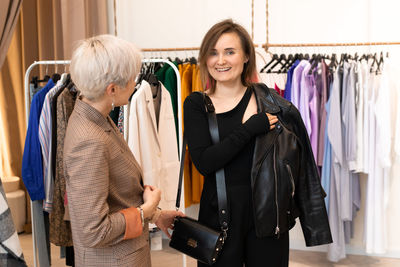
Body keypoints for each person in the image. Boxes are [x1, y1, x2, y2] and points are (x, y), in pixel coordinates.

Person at [183, 19, 332, 267]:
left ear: (245, 57)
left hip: (267, 217)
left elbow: (301, 163)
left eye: (229, 52)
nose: (220, 61)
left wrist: (310, 219)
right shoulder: (197, 104)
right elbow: (205, 163)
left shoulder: (272, 103)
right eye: (213, 53)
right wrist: (250, 128)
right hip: (218, 219)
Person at [64, 34, 183, 267]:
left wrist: (155, 215)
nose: (135, 83)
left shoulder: (94, 116)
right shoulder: (90, 140)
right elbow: (94, 231)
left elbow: (115, 195)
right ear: (112, 89)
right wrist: (145, 210)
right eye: (132, 78)